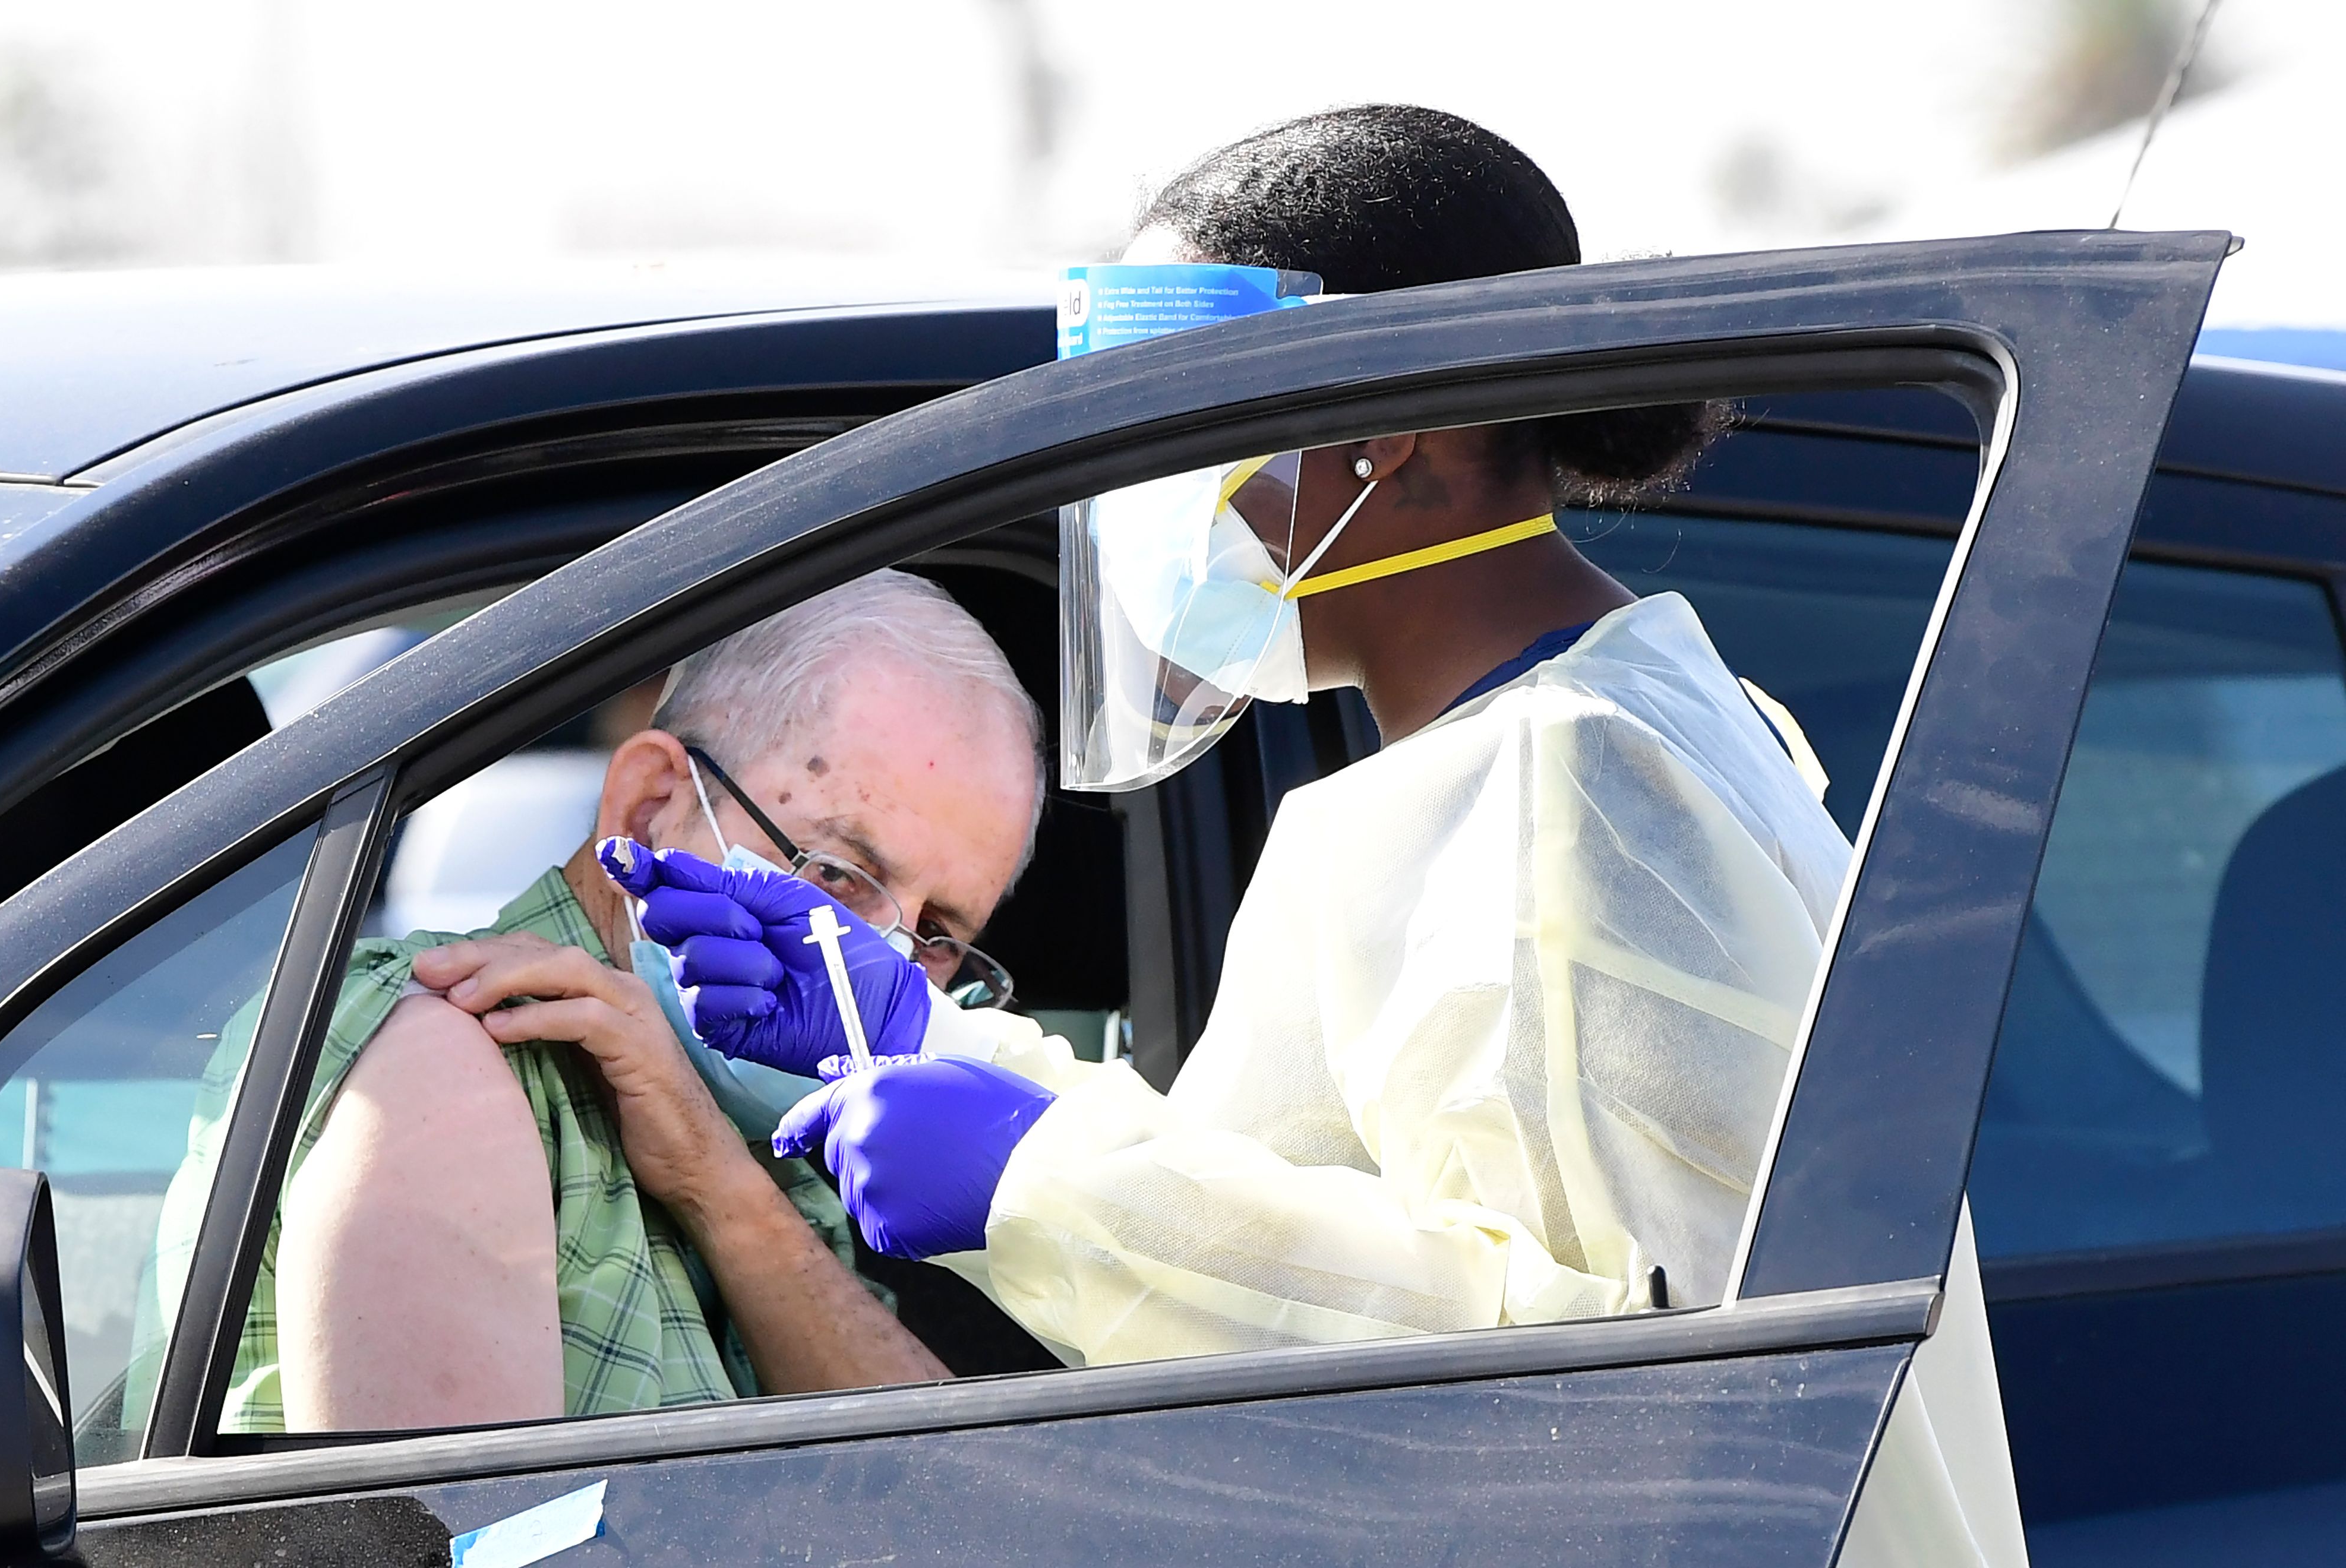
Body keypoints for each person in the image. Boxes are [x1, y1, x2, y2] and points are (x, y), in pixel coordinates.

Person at [614, 107, 2025, 1566]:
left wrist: (1039, 1185)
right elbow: (1357, 1224)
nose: (1153, 490)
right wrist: (929, 1041)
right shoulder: (1590, 728)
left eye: (1192, 426)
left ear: (1378, 442)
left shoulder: (1567, 782)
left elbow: (1620, 1390)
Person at [197, 568, 1044, 1431]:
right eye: (835, 873)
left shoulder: (762, 1142)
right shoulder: (450, 1056)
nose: (883, 961)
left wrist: (721, 1189)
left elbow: (954, 1498)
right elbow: (438, 1535)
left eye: (936, 932)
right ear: (646, 811)